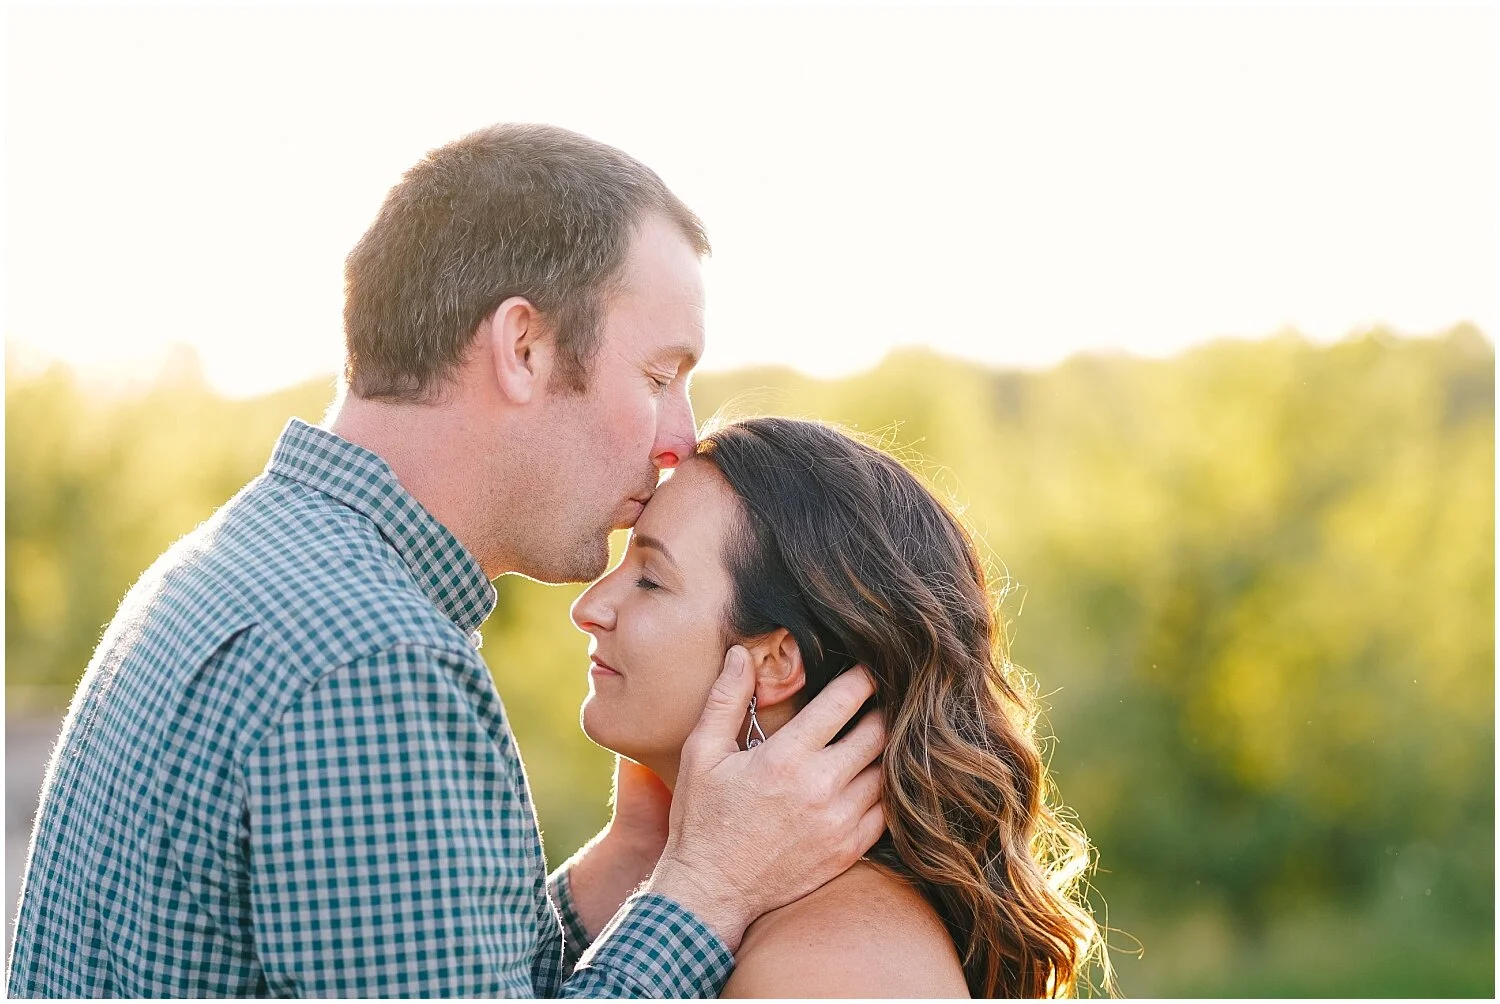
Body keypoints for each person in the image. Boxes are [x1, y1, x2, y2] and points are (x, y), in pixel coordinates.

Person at [5, 124, 885, 997]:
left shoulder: (243, 563)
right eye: (658, 379)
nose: (679, 439)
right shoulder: (370, 659)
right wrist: (711, 890)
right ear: (524, 348)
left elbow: (406, 962)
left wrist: (634, 863)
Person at [569, 416, 1106, 998]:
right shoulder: (777, 926)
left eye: (650, 579)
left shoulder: (838, 966)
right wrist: (635, 857)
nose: (589, 606)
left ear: (775, 662)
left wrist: (701, 880)